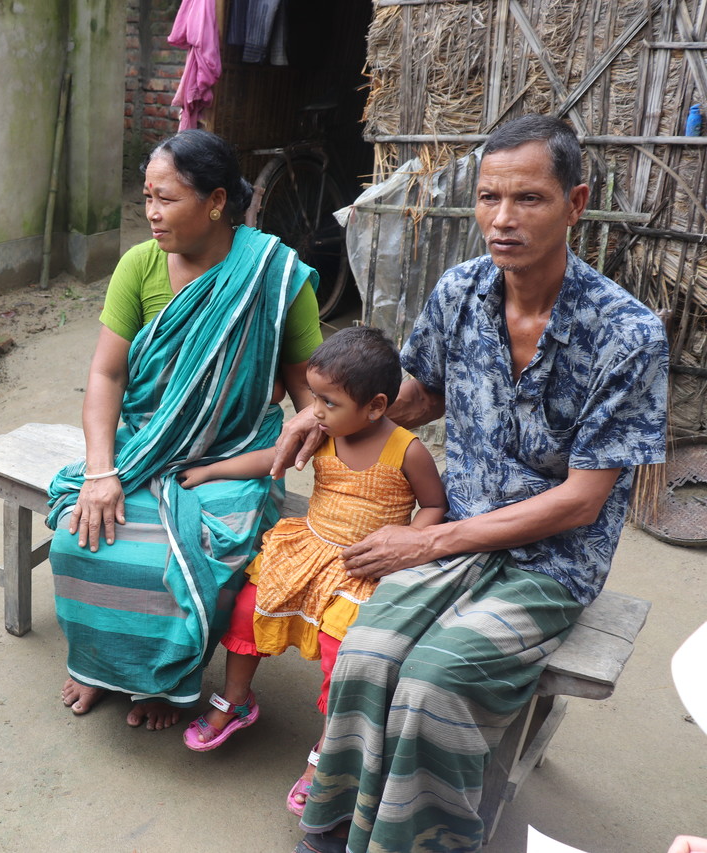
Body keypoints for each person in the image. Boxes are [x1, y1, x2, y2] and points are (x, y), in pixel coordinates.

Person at [275, 115, 669, 853]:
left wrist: (425, 541)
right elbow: (420, 394)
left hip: (551, 563)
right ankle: (335, 828)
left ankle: (413, 843)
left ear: (576, 203)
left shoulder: (629, 332)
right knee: (366, 651)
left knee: (432, 685)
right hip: (458, 535)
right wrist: (330, 419)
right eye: (489, 197)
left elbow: (584, 498)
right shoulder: (461, 291)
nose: (503, 218)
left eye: (529, 198)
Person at [46, 128, 324, 730]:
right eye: (146, 196)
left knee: (193, 555)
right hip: (145, 445)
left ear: (216, 201)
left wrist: (309, 419)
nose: (150, 213)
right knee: (80, 537)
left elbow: (309, 391)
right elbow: (106, 373)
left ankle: (160, 682)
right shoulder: (139, 266)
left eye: (166, 199)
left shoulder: (272, 275)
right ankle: (99, 666)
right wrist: (100, 471)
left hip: (233, 454)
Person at [177, 328, 446, 819]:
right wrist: (213, 470)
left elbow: (434, 505)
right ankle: (237, 699)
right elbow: (272, 460)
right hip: (307, 549)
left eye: (328, 401)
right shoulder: (325, 434)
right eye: (314, 396)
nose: (314, 410)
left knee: (340, 655)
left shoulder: (407, 451)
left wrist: (409, 542)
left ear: (376, 405)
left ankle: (328, 751)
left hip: (362, 567)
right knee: (245, 612)